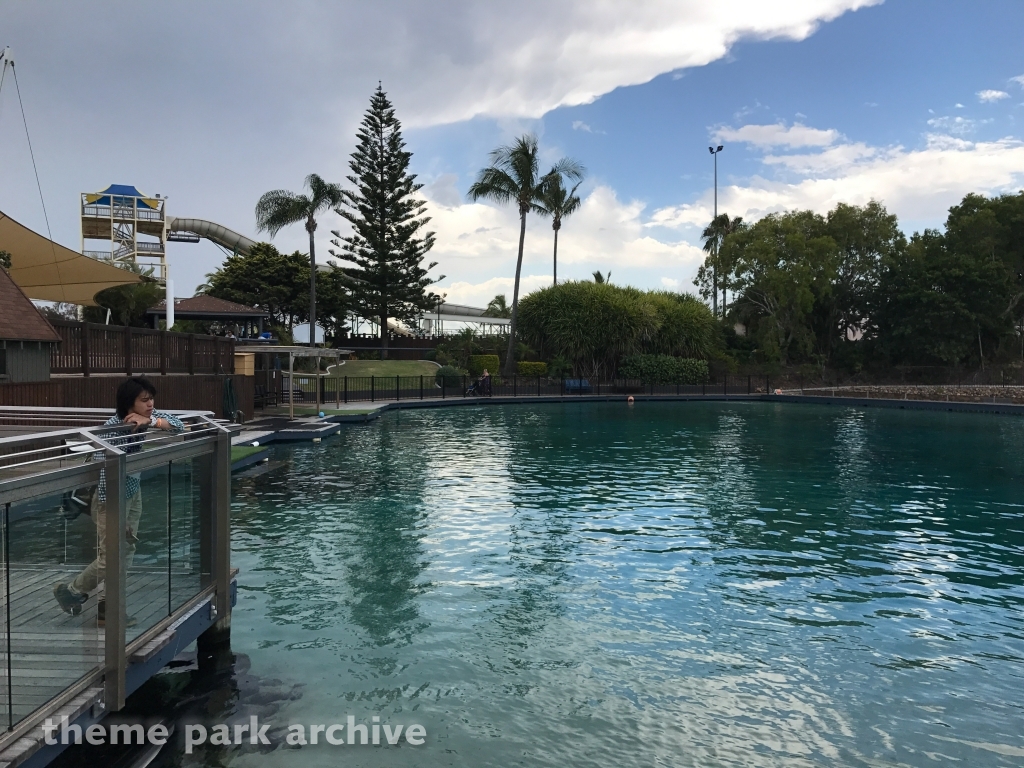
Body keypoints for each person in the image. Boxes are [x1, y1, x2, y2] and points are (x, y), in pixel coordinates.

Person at [53, 377, 185, 625]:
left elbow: (180, 426)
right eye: (144, 400)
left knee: (127, 549)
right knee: (112, 555)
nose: (150, 404)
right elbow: (106, 471)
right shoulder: (114, 428)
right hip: (111, 496)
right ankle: (71, 591)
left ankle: (108, 609)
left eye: (151, 399)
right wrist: (115, 509)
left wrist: (154, 421)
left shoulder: (146, 417)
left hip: (133, 490)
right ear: (129, 403)